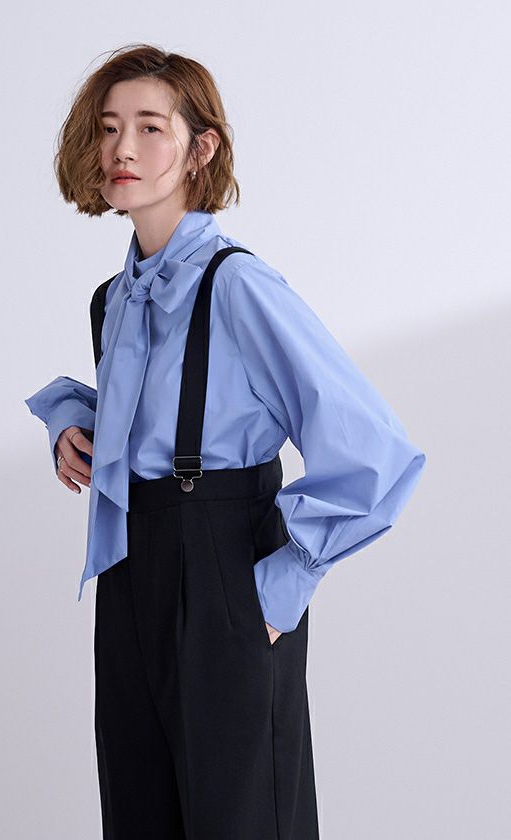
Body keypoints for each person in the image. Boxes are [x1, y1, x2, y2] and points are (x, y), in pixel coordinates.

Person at [25, 44, 426, 840]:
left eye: (150, 127)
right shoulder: (114, 299)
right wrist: (75, 420)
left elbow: (375, 451)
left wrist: (281, 586)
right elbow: (167, 414)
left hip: (223, 565)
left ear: (200, 148)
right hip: (130, 569)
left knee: (241, 821)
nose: (122, 149)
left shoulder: (237, 284)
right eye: (108, 127)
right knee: (141, 814)